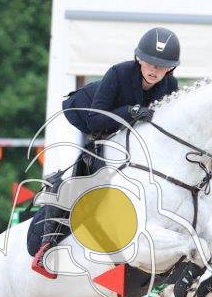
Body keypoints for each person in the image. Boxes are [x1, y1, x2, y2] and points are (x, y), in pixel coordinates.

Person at [30, 27, 182, 273]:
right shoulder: (119, 73)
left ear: (171, 68)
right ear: (139, 59)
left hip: (116, 131)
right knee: (74, 175)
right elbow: (95, 122)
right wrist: (131, 111)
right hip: (79, 118)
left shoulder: (169, 85)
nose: (155, 70)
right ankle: (47, 246)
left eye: (162, 66)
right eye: (151, 63)